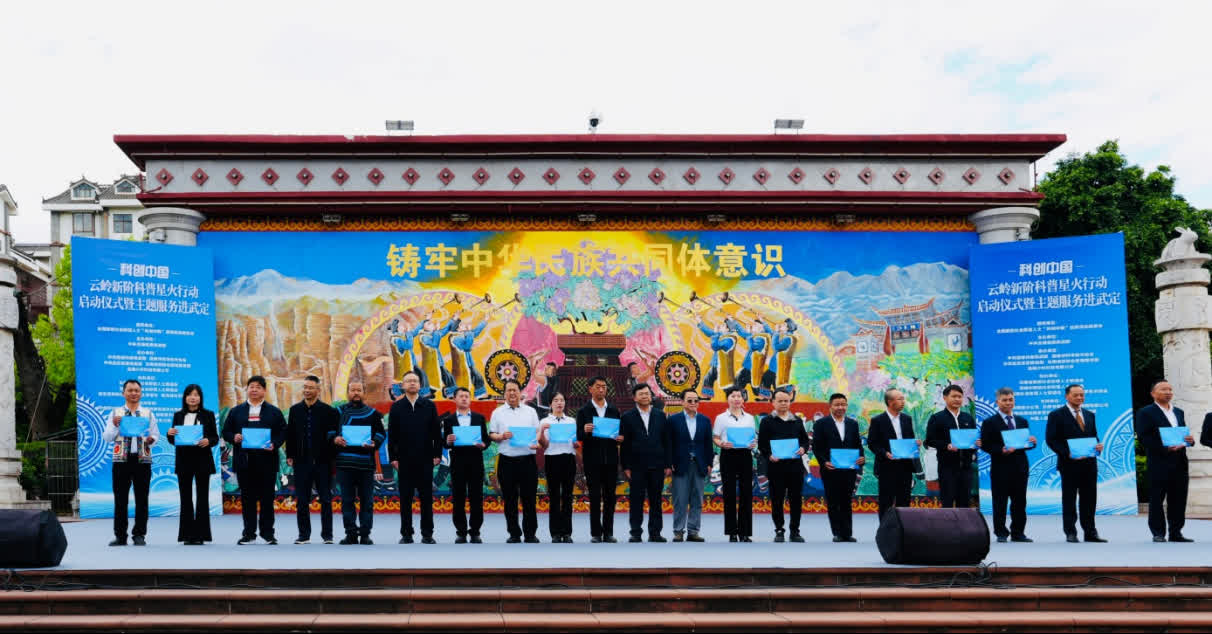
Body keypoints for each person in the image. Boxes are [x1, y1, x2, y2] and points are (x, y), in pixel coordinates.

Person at [222, 375, 287, 545]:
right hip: (245, 461)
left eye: (258, 387)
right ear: (247, 389)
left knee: (267, 499)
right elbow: (226, 431)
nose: (254, 390)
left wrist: (274, 444)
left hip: (267, 461)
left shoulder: (274, 411)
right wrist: (234, 437)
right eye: (251, 386)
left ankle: (268, 534)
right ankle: (249, 534)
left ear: (264, 390)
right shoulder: (236, 411)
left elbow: (283, 432)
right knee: (247, 499)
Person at [1135, 380, 1195, 542]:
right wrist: (1165, 448)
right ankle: (1158, 533)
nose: (1168, 392)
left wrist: (1189, 440)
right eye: (1163, 389)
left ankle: (1176, 532)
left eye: (1170, 389)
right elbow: (1144, 437)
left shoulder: (1179, 412)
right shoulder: (1146, 412)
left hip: (1180, 461)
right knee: (1157, 498)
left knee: (1178, 498)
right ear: (1153, 394)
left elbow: (1183, 434)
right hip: (1159, 461)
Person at [1045, 384, 1106, 543]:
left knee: (1089, 499)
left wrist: (1098, 446)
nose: (1079, 398)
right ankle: (1070, 532)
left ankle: (1090, 532)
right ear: (1067, 396)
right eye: (1076, 395)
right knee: (1069, 499)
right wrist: (1067, 453)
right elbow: (1051, 439)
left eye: (1082, 395)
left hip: (1089, 464)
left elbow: (1093, 436)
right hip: (1069, 464)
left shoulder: (1089, 415)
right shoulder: (1056, 415)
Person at [388, 370, 443, 544]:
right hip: (404, 460)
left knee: (426, 498)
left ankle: (427, 534)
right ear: (403, 386)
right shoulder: (396, 407)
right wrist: (393, 458)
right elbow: (392, 436)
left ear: (420, 385)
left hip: (425, 459)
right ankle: (406, 534)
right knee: (405, 498)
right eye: (408, 381)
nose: (412, 383)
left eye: (415, 381)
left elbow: (436, 433)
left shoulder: (429, 406)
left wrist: (437, 454)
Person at [103, 379, 159, 546]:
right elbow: (107, 437)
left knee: (142, 499)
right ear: (123, 393)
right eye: (130, 390)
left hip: (142, 460)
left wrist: (151, 440)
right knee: (120, 499)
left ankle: (139, 534)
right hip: (121, 460)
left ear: (141, 393)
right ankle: (120, 536)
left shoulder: (148, 413)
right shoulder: (116, 413)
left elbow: (155, 434)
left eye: (136, 390)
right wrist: (115, 426)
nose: (133, 393)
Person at [285, 375, 340, 545]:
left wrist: (331, 458)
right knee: (302, 499)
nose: (307, 390)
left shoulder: (329, 411)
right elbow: (290, 434)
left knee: (326, 499)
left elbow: (334, 436)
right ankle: (304, 535)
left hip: (323, 462)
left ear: (318, 390)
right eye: (305, 387)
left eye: (311, 388)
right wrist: (290, 455)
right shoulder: (295, 410)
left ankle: (327, 535)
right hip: (301, 462)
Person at [330, 381, 385, 545]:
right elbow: (329, 432)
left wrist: (374, 443)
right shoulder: (338, 412)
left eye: (359, 390)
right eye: (353, 390)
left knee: (367, 502)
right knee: (347, 501)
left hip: (366, 465)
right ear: (348, 392)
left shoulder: (373, 414)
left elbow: (380, 434)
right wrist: (335, 439)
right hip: (344, 464)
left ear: (364, 393)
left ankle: (365, 534)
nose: (356, 393)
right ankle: (351, 534)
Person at [980, 387, 1036, 543]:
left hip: (1020, 467)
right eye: (1004, 400)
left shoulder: (1022, 421)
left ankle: (1018, 532)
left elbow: (1024, 444)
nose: (1008, 403)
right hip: (1001, 467)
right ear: (997, 402)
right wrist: (1001, 450)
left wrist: (1032, 443)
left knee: (1020, 502)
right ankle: (1001, 532)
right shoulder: (989, 422)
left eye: (1011, 399)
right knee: (1000, 502)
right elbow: (985, 445)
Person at [489, 379, 542, 543]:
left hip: (528, 460)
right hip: (507, 461)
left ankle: (530, 533)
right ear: (504, 393)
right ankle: (514, 533)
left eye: (515, 390)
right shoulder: (497, 413)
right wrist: (501, 436)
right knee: (510, 499)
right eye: (509, 390)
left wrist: (536, 442)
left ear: (520, 392)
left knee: (529, 499)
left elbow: (537, 432)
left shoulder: (530, 412)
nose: (512, 393)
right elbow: (492, 434)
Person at [167, 384, 218, 545]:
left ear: (200, 398)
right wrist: (169, 434)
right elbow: (173, 440)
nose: (193, 397)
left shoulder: (208, 415)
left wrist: (208, 440)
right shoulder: (178, 415)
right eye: (190, 394)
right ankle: (187, 535)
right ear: (185, 398)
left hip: (203, 460)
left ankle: (201, 535)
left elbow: (215, 437)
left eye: (196, 395)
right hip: (184, 461)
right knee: (185, 498)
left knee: (202, 498)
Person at [620, 384, 672, 542]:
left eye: (647, 393)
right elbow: (625, 444)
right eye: (641, 394)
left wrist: (667, 464)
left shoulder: (660, 415)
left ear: (651, 396)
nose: (645, 396)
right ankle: (635, 532)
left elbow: (666, 441)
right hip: (636, 465)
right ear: (634, 398)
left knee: (656, 500)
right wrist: (626, 466)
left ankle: (655, 533)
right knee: (636, 500)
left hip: (657, 464)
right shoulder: (627, 417)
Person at [758, 388, 810, 543]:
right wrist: (769, 455)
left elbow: (805, 441)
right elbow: (762, 444)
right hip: (776, 467)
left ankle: (795, 531)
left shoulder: (797, 420)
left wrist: (803, 449)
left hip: (795, 467)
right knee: (777, 500)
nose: (783, 403)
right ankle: (779, 530)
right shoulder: (767, 421)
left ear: (790, 402)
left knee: (796, 500)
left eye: (786, 401)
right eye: (780, 401)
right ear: (773, 402)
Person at [576, 376, 623, 543]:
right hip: (592, 460)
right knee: (595, 497)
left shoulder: (614, 410)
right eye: (598, 386)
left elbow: (619, 434)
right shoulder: (584, 411)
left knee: (610, 497)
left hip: (611, 460)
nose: (601, 389)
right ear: (590, 389)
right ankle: (596, 533)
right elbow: (578, 436)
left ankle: (608, 532)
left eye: (604, 386)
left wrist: (620, 438)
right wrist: (584, 430)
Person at [812, 393, 865, 542]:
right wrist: (824, 462)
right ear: (830, 406)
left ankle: (847, 533)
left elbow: (858, 444)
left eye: (843, 404)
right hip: (830, 469)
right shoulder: (821, 424)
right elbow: (817, 447)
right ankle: (837, 532)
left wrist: (861, 457)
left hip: (849, 468)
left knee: (846, 500)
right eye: (837, 404)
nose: (840, 407)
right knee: (833, 500)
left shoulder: (853, 424)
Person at [441, 387, 489, 543]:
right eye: (461, 396)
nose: (464, 398)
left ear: (470, 399)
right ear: (454, 399)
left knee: (476, 498)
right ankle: (461, 532)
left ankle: (475, 532)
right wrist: (448, 441)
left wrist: (483, 445)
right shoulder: (448, 420)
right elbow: (445, 443)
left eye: (466, 396)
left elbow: (486, 440)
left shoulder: (479, 418)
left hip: (476, 462)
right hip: (457, 463)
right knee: (458, 498)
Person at [866, 388, 919, 519]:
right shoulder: (877, 420)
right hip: (886, 466)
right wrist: (885, 453)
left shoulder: (907, 419)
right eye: (900, 399)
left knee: (904, 500)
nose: (903, 401)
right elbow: (872, 443)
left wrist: (915, 444)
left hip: (905, 466)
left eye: (903, 398)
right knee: (886, 501)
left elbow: (909, 439)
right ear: (890, 402)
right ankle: (885, 529)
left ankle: (903, 528)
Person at [668, 389, 713, 543]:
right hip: (680, 464)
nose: (693, 403)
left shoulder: (705, 420)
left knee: (697, 500)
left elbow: (708, 444)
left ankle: (693, 531)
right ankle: (678, 531)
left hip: (699, 464)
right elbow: (669, 443)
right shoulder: (673, 420)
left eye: (696, 400)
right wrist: (669, 462)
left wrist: (709, 463)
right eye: (689, 400)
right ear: (682, 402)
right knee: (680, 500)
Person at [925, 385, 980, 508]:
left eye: (960, 397)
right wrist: (947, 446)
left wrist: (977, 443)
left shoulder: (968, 418)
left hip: (966, 467)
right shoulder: (937, 418)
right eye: (954, 396)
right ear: (945, 397)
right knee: (947, 503)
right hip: (947, 467)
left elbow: (972, 440)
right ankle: (947, 522)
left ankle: (963, 521)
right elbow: (930, 441)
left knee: (964, 503)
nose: (957, 399)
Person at [713, 388, 757, 542]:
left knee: (747, 493)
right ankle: (732, 532)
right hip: (728, 455)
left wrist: (753, 444)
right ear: (728, 399)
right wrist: (721, 444)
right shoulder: (721, 418)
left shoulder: (750, 418)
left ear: (743, 400)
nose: (737, 398)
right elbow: (716, 437)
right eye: (733, 396)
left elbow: (753, 437)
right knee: (729, 493)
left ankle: (745, 532)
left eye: (739, 396)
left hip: (745, 455)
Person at [539, 392, 578, 543]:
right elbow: (544, 445)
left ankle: (567, 532)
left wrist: (576, 443)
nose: (559, 403)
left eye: (562, 400)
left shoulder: (571, 421)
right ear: (550, 404)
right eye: (556, 400)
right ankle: (555, 533)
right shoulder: (545, 421)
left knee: (568, 497)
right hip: (552, 459)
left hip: (568, 459)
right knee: (554, 496)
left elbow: (575, 442)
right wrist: (542, 432)